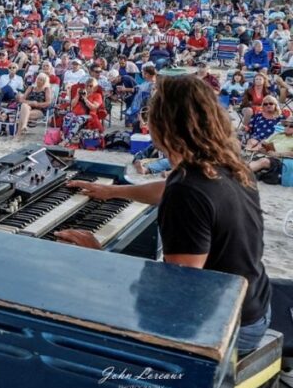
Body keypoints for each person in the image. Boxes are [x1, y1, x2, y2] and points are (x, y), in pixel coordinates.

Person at [56, 76, 271, 357]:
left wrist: (99, 259)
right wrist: (111, 192)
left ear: (164, 126)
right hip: (255, 301)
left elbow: (179, 289)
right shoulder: (225, 164)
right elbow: (169, 189)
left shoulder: (187, 190)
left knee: (80, 312)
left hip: (230, 326)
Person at [14, 72, 54, 139]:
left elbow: (48, 102)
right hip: (28, 107)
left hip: (39, 110)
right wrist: (31, 102)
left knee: (23, 114)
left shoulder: (47, 89)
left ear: (45, 81)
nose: (39, 81)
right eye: (38, 79)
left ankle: (18, 135)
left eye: (41, 80)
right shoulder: (31, 88)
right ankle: (24, 126)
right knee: (24, 105)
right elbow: (21, 100)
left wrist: (37, 104)